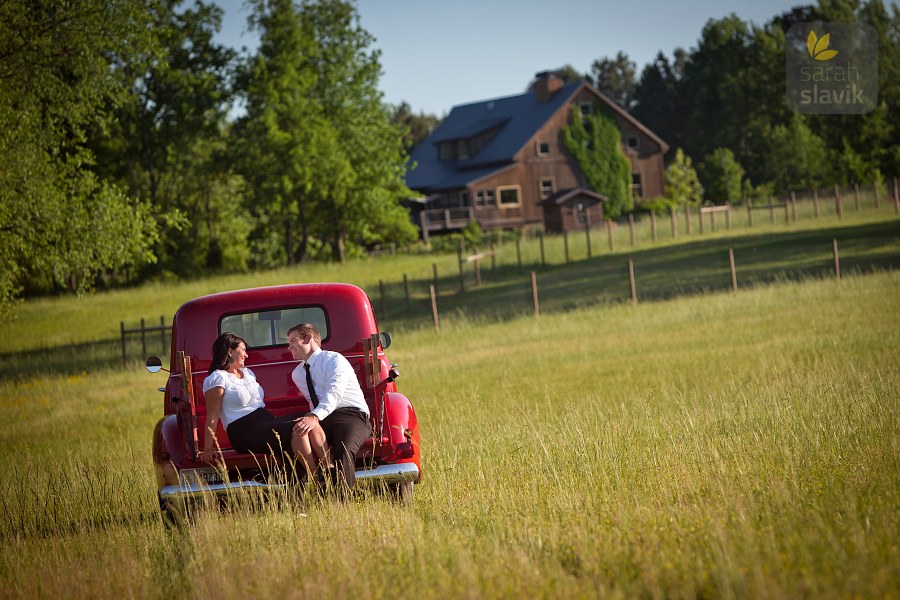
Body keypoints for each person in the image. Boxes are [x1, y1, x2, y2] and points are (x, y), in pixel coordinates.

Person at [200, 332, 317, 478]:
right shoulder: (217, 377)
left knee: (306, 419)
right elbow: (213, 416)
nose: (246, 355)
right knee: (297, 429)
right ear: (230, 351)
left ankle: (317, 473)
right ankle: (317, 478)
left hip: (264, 421)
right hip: (242, 430)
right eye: (242, 350)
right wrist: (208, 449)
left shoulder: (247, 373)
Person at [287, 323, 371, 492]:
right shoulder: (298, 373)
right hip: (324, 416)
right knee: (298, 432)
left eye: (294, 340)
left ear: (309, 338)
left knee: (344, 448)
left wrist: (314, 417)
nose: (289, 347)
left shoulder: (334, 359)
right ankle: (317, 480)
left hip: (352, 414)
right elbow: (313, 401)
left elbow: (335, 393)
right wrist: (312, 419)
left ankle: (342, 500)